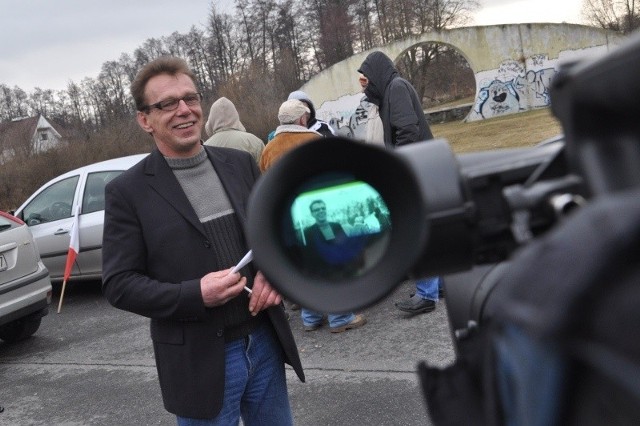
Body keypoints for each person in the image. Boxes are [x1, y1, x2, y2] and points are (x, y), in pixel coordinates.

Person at [101, 56, 304, 425]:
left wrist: (274, 273)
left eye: (190, 99)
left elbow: (276, 233)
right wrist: (195, 294)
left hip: (264, 343)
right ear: (145, 120)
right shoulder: (127, 192)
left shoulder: (238, 163)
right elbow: (119, 284)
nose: (184, 110)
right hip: (199, 361)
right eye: (167, 104)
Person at [260, 100, 366, 333]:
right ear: (301, 119)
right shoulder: (313, 140)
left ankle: (311, 316)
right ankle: (340, 317)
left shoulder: (269, 149)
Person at [358, 50, 441, 315]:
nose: (366, 84)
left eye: (367, 78)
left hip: (413, 168)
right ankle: (437, 287)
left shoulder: (396, 87)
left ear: (377, 74)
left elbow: (408, 130)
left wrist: (397, 166)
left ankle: (427, 294)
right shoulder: (391, 89)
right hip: (418, 166)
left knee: (416, 228)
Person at [300, 200, 367, 333]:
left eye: (322, 208)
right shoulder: (308, 232)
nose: (320, 211)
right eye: (317, 209)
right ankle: (340, 319)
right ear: (313, 213)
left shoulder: (335, 226)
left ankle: (311, 320)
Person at [259, 99, 322, 172]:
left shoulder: (268, 149)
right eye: (305, 116)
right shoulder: (315, 140)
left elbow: (265, 177)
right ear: (302, 120)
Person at [203, 96, 264, 165]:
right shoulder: (254, 142)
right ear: (236, 115)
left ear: (211, 119)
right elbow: (266, 171)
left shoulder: (204, 148)